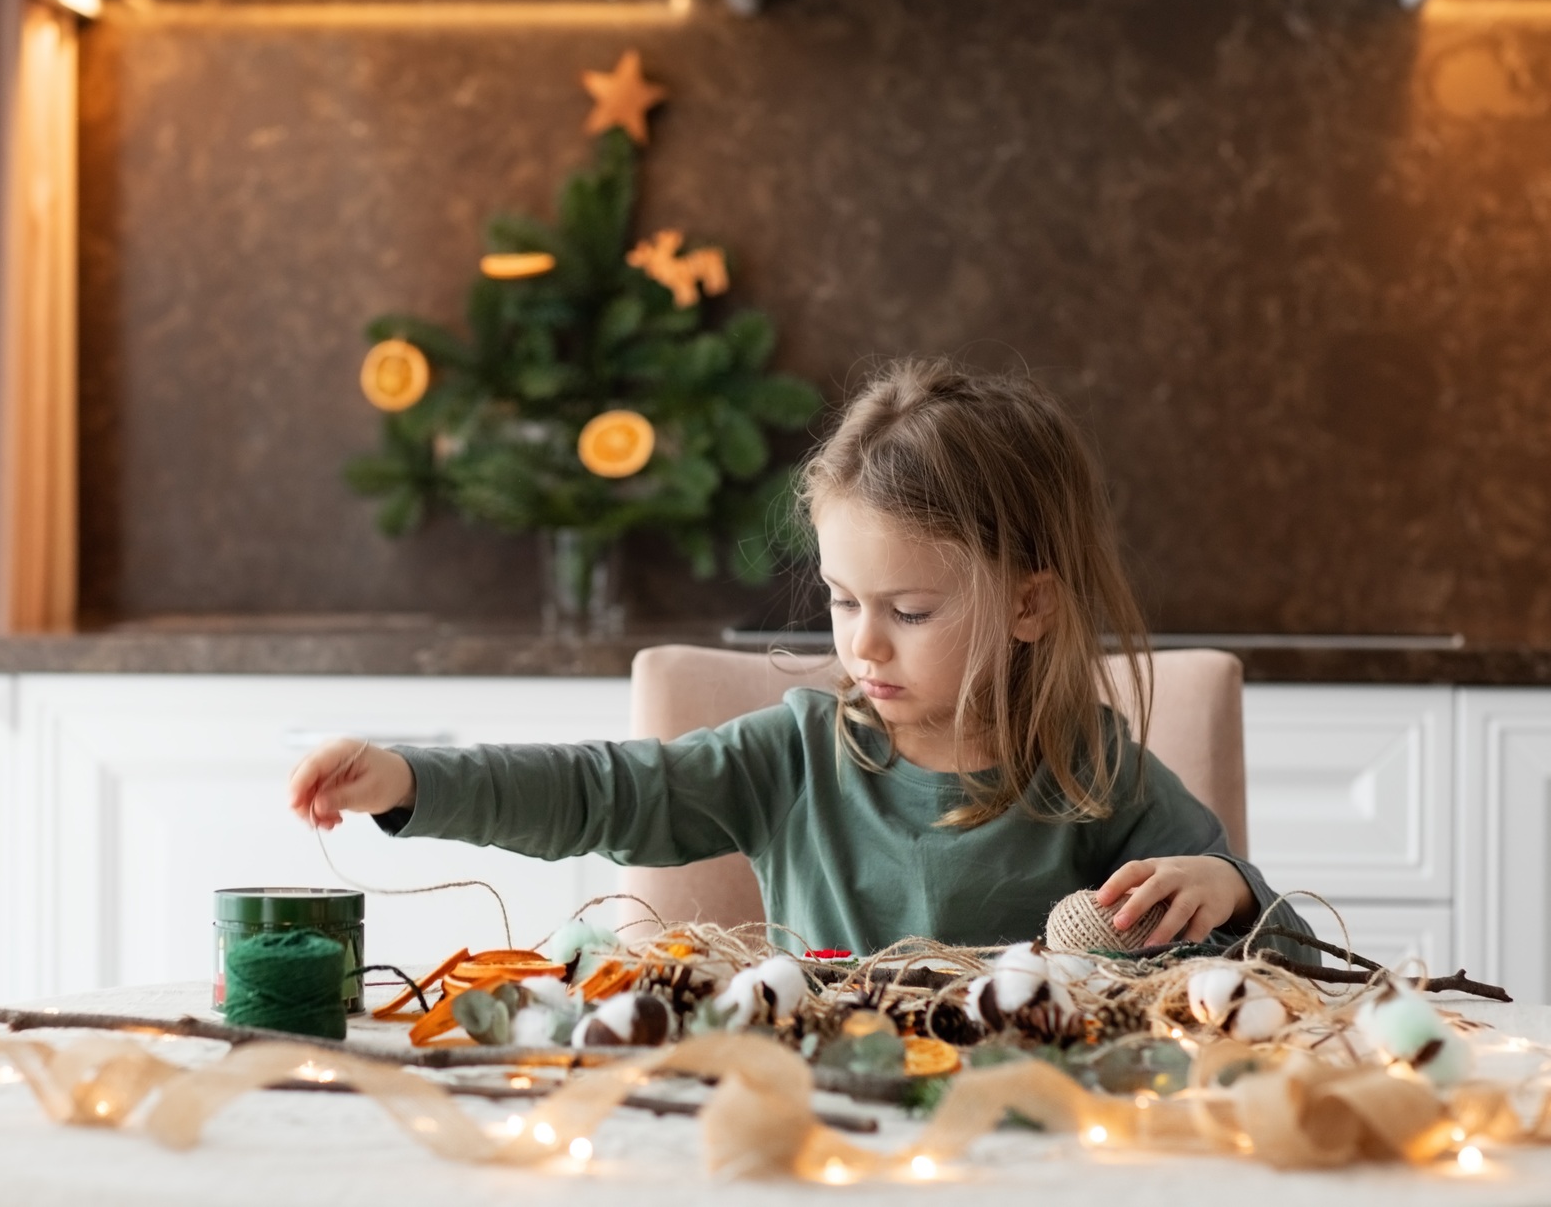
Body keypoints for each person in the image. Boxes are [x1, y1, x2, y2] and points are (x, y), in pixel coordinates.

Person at [288, 357, 1313, 957]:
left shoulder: (1097, 772)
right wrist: (410, 783)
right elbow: (598, 791)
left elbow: (1293, 959)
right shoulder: (791, 755)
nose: (860, 643)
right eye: (841, 600)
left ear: (1029, 603)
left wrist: (1221, 889)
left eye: (908, 609)